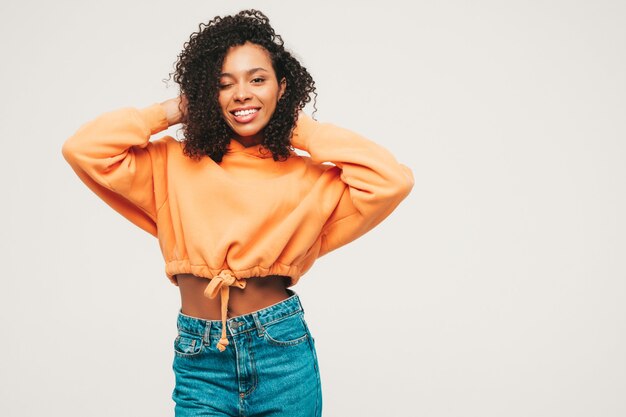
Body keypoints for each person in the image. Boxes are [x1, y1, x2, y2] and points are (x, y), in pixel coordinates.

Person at [61, 9, 414, 417]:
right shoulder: (171, 163)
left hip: (281, 351)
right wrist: (172, 110)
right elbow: (84, 149)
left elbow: (392, 181)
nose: (242, 93)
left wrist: (298, 129)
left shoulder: (308, 176)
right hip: (200, 358)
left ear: (283, 87)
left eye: (257, 80)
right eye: (223, 84)